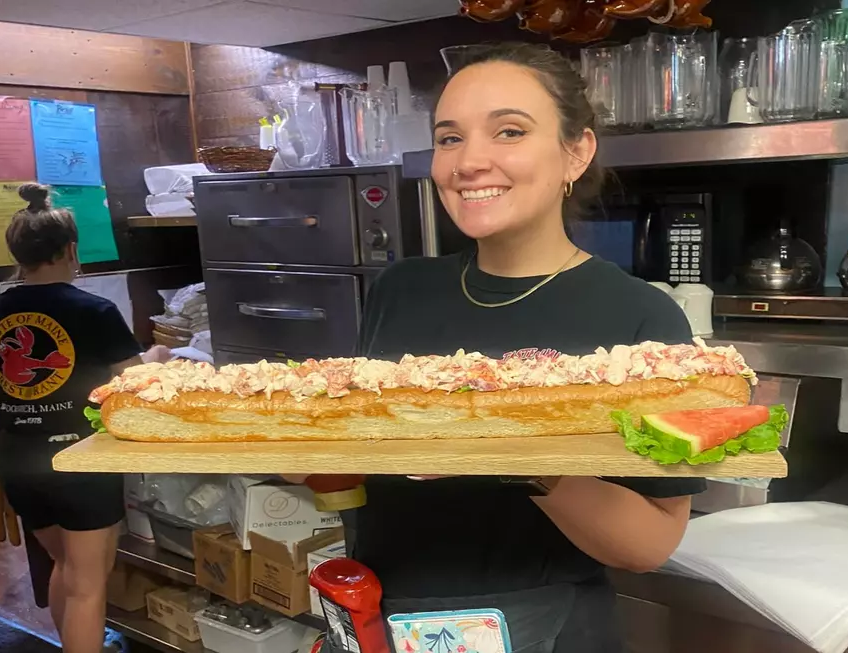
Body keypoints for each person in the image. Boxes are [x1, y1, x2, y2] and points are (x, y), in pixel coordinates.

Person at [297, 43, 703, 652]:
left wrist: (519, 456)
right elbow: (354, 471)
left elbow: (650, 545)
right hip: (379, 612)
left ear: (576, 152)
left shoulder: (639, 318)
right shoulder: (402, 289)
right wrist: (294, 441)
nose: (469, 162)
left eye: (509, 131)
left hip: (540, 625)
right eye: (450, 138)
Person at [0, 183, 170, 653]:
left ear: (17, 251)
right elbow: (133, 385)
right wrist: (157, 355)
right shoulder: (94, 309)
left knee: (64, 567)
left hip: (19, 462)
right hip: (79, 462)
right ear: (71, 249)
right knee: (88, 583)